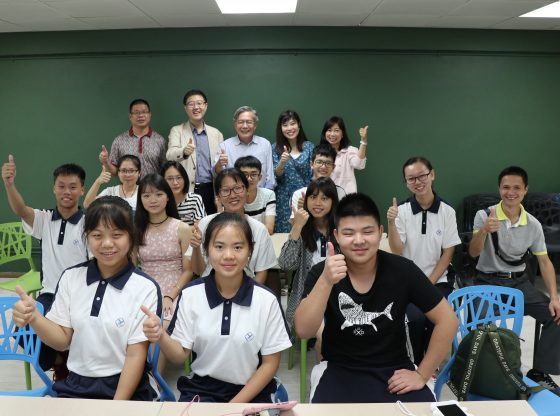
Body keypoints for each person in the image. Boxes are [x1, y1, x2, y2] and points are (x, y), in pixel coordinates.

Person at [295, 193, 458, 403]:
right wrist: (326, 281)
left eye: (368, 231)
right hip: (339, 369)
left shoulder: (402, 270)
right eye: (349, 233)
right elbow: (303, 330)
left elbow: (448, 320)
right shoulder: (322, 272)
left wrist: (421, 374)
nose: (359, 240)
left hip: (394, 371)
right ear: (336, 235)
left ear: (381, 232)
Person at [12, 196, 161, 400]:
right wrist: (35, 318)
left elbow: (136, 355)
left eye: (117, 234)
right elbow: (62, 341)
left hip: (126, 388)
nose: (107, 243)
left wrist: (117, 408)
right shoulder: (71, 278)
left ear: (131, 236)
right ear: (87, 236)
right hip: (76, 384)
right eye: (97, 235)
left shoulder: (145, 287)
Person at [141, 212, 292, 403]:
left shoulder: (266, 299)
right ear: (206, 249)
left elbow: (270, 364)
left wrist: (232, 407)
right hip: (203, 390)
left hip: (252, 391)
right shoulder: (191, 295)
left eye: (238, 247)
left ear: (250, 251)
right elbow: (179, 356)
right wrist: (160, 335)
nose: (228, 256)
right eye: (219, 247)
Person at [468, 166, 560, 395]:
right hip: (487, 281)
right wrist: (483, 232)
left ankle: (540, 371)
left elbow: (545, 262)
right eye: (506, 187)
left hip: (519, 284)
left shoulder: (533, 224)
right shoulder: (484, 215)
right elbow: (472, 252)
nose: (511, 192)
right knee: (480, 322)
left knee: (556, 315)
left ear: (525, 190)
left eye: (517, 187)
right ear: (499, 189)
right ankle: (487, 374)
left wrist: (555, 297)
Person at [2, 155, 89, 376]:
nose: (66, 191)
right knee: (21, 330)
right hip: (49, 294)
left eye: (72, 186)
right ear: (53, 189)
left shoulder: (90, 223)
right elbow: (21, 209)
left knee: (83, 330)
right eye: (61, 186)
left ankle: (71, 366)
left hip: (80, 294)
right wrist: (9, 184)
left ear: (82, 190)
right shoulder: (44, 219)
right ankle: (59, 361)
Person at [386, 156, 461, 365]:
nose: (417, 182)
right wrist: (391, 223)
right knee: (415, 319)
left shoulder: (447, 211)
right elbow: (397, 249)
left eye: (422, 176)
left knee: (437, 319)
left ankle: (431, 363)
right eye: (411, 179)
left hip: (438, 280)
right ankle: (416, 363)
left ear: (432, 175)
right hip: (407, 281)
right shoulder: (401, 211)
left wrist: (427, 284)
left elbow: (448, 252)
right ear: (406, 182)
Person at [188, 168, 277, 284]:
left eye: (238, 188)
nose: (233, 195)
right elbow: (198, 270)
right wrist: (195, 248)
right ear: (218, 196)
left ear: (247, 191)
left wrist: (249, 296)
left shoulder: (259, 229)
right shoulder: (205, 223)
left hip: (246, 289)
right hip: (209, 288)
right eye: (226, 190)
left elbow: (261, 272)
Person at [278, 177, 338, 332]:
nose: (317, 203)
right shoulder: (303, 230)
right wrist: (297, 226)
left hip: (338, 297)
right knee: (324, 332)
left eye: (324, 198)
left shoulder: (341, 229)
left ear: (333, 202)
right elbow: (286, 264)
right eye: (313, 197)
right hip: (307, 299)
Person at [134, 174, 192, 322]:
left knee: (164, 326)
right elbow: (133, 267)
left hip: (175, 291)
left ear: (167, 197)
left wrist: (170, 296)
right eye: (146, 195)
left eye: (159, 194)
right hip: (144, 291)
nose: (152, 200)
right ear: (140, 199)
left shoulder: (182, 228)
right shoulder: (136, 230)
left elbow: (189, 271)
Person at [166, 89, 224, 214]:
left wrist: (220, 164)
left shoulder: (216, 134)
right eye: (191, 104)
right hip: (186, 191)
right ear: (185, 108)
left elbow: (219, 169)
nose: (196, 107)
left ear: (206, 105)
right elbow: (169, 156)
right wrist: (184, 152)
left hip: (211, 190)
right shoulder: (177, 130)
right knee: (190, 230)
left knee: (211, 228)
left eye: (199, 103)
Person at [99, 98, 166, 179]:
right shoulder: (119, 141)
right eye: (136, 112)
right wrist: (106, 162)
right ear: (130, 116)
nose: (140, 115)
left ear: (150, 115)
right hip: (128, 190)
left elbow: (165, 169)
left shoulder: (160, 140)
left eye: (144, 112)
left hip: (153, 189)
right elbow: (114, 172)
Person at [272, 110, 314, 233]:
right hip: (283, 201)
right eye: (285, 125)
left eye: (292, 124)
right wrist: (281, 163)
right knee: (284, 235)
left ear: (299, 125)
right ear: (280, 128)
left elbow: (313, 175)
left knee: (304, 233)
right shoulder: (275, 148)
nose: (289, 128)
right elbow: (276, 176)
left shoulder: (309, 147)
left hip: (304, 198)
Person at [214, 106, 275, 190]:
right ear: (235, 125)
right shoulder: (224, 146)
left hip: (261, 197)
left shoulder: (265, 144)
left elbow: (270, 178)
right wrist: (219, 164)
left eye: (249, 122)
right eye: (241, 122)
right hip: (234, 198)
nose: (245, 126)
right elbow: (218, 175)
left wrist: (266, 198)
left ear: (255, 125)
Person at [290, 144, 346, 217]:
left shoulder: (340, 192)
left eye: (328, 163)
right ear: (312, 164)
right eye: (319, 162)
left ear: (333, 167)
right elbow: (295, 226)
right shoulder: (300, 194)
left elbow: (342, 221)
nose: (323, 167)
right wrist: (301, 211)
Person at [319, 116, 368, 194]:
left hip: (346, 199)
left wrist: (363, 141)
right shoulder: (319, 153)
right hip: (326, 197)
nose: (332, 134)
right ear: (325, 133)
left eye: (336, 130)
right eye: (329, 130)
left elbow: (359, 164)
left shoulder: (349, 151)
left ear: (342, 134)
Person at [234, 156, 276, 235]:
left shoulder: (268, 195)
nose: (249, 179)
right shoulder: (232, 196)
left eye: (253, 174)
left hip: (262, 239)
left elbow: (269, 229)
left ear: (260, 177)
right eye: (245, 174)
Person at [161, 161, 206, 226]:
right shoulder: (162, 201)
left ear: (185, 178)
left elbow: (200, 227)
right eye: (170, 179)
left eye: (179, 178)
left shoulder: (194, 199)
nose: (175, 183)